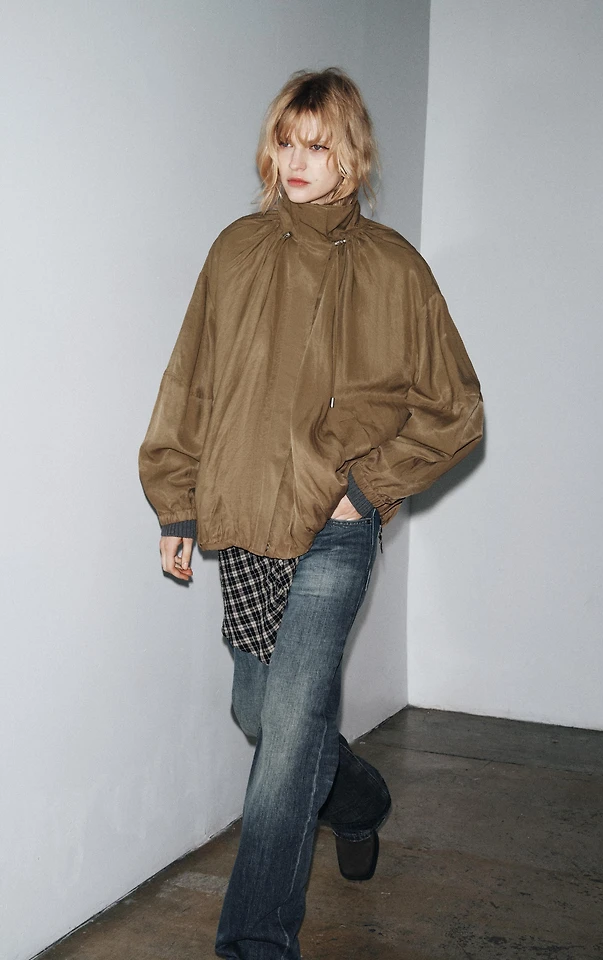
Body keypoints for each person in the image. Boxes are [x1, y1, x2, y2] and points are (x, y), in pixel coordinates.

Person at [139, 67, 483, 960]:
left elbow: (456, 410)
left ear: (350, 155)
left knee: (288, 739)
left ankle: (255, 943)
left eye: (318, 145)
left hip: (335, 530)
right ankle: (360, 798)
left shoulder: (396, 269)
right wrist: (177, 506)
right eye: (287, 142)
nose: (298, 161)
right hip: (245, 520)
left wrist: (365, 490)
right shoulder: (235, 251)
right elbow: (190, 383)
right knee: (262, 716)